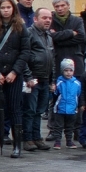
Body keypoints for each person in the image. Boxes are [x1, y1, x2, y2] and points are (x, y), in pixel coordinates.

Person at [0, 0, 31, 158]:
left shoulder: (21, 28)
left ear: (13, 9)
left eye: (8, 7)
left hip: (14, 75)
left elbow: (25, 52)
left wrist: (15, 71)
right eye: (3, 8)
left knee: (15, 109)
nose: (6, 10)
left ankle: (17, 146)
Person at [48, 0, 86, 141]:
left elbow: (81, 37)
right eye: (57, 6)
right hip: (57, 62)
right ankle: (54, 129)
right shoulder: (51, 20)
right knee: (56, 96)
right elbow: (50, 38)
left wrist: (58, 37)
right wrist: (70, 33)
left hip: (76, 62)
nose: (60, 8)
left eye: (62, 5)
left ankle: (76, 129)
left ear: (68, 6)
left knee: (75, 96)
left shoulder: (77, 20)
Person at [22, 8, 55, 152]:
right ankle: (27, 138)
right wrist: (28, 76)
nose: (47, 20)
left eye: (49, 18)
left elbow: (51, 58)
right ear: (36, 19)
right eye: (44, 17)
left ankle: (37, 137)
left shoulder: (48, 36)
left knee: (39, 110)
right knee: (29, 110)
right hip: (32, 79)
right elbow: (24, 57)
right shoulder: (29, 33)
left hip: (45, 79)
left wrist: (51, 80)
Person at [52, 59, 82, 149]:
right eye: (66, 70)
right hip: (60, 108)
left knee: (70, 126)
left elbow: (78, 95)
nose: (68, 73)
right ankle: (57, 141)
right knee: (58, 126)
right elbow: (55, 95)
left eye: (70, 70)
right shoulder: (59, 82)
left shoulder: (77, 83)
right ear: (62, 71)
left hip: (72, 109)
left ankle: (69, 141)